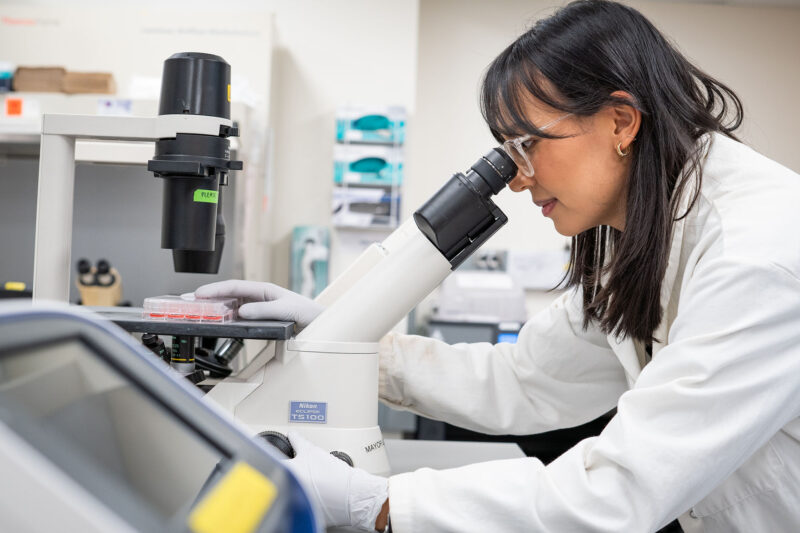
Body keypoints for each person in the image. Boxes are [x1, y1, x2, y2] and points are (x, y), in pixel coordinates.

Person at [195, 1, 800, 531]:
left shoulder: (755, 255)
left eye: (528, 144)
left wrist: (378, 505)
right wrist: (345, 344)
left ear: (621, 121)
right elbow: (524, 378)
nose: (515, 179)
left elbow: (619, 492)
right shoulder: (642, 230)